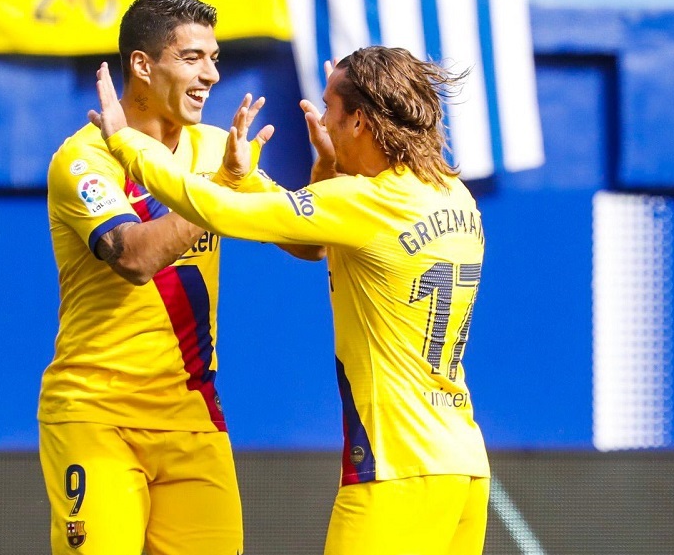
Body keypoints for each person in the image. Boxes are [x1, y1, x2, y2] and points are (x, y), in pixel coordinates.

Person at [88, 45, 492, 555]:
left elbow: (217, 209)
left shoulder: (365, 203)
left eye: (330, 108)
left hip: (396, 470)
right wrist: (323, 168)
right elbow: (333, 224)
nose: (322, 122)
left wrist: (125, 142)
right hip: (464, 466)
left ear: (359, 122)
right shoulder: (455, 196)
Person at [41, 0, 328, 555]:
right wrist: (221, 188)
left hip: (192, 414)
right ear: (143, 66)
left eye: (214, 59)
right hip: (97, 414)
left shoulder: (218, 148)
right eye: (192, 58)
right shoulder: (84, 160)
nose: (211, 75)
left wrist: (328, 170)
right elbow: (134, 258)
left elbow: (309, 245)